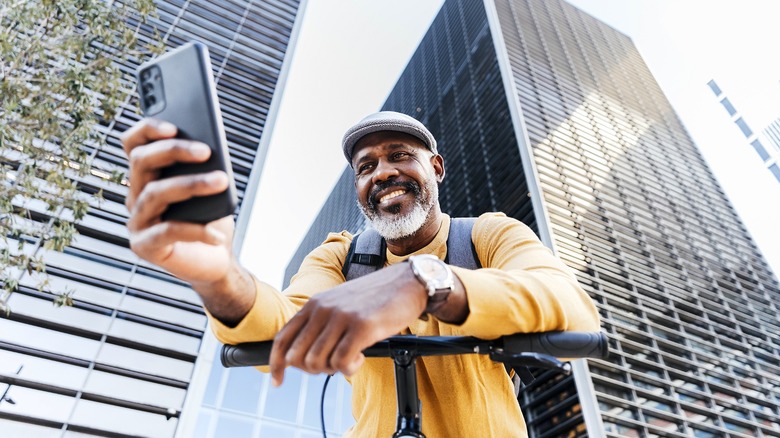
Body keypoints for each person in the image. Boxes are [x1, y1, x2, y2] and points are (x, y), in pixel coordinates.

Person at [121, 111, 600, 437]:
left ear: (436, 167)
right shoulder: (340, 257)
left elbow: (571, 305)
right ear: (358, 189)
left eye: (399, 155)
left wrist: (426, 281)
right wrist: (217, 276)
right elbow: (285, 325)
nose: (382, 172)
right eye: (366, 167)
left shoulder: (488, 235)